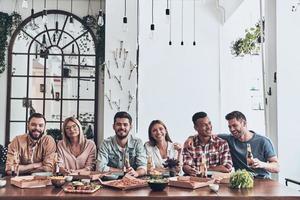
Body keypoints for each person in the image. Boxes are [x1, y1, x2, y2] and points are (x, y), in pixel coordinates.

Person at [219, 111, 279, 178]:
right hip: (241, 181)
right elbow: (210, 136)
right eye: (229, 127)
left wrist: (262, 164)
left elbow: (277, 168)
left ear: (244, 123)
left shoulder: (263, 141)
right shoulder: (229, 139)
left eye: (235, 125)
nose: (232, 129)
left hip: (262, 180)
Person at [97, 111, 147, 177]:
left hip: (133, 180)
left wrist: (137, 173)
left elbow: (143, 166)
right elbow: (100, 167)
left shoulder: (137, 142)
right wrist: (122, 172)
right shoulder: (106, 143)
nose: (122, 127)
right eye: (118, 124)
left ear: (130, 127)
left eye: (125, 124)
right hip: (110, 181)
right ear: (113, 126)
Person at [182, 112, 233, 176]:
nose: (209, 127)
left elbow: (227, 167)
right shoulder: (189, 144)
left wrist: (204, 169)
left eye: (209, 123)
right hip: (196, 181)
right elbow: (186, 165)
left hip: (216, 182)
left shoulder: (222, 143)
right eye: (204, 125)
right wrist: (188, 169)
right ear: (196, 128)